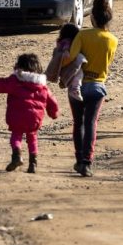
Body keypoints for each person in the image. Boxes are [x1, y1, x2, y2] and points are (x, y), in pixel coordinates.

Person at [0, 53, 59, 174]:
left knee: (16, 136)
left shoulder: (15, 81)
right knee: (32, 138)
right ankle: (33, 162)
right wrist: (54, 113)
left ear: (19, 67)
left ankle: (16, 156)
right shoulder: (42, 86)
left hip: (17, 117)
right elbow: (52, 102)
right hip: (34, 119)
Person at [63, 0, 117, 176]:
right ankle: (87, 162)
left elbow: (71, 56)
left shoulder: (83, 34)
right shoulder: (113, 40)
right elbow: (107, 64)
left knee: (78, 123)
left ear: (92, 17)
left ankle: (78, 160)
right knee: (91, 122)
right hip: (97, 86)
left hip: (77, 86)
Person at [47, 22, 86, 154]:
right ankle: (75, 89)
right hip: (72, 67)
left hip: (66, 71)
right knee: (78, 74)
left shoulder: (61, 42)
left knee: (78, 120)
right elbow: (70, 54)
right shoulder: (70, 43)